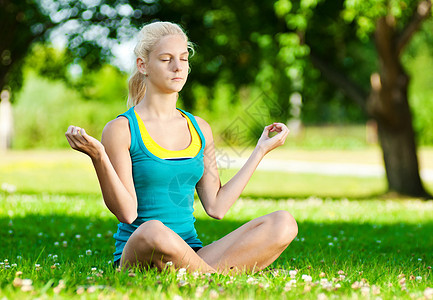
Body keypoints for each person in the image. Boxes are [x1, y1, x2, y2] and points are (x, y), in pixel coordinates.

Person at [65, 21, 298, 274]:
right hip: (142, 252)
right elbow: (127, 214)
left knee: (283, 222)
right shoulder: (122, 129)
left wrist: (259, 151)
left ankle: (201, 275)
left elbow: (216, 207)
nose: (178, 67)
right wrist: (99, 157)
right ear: (143, 65)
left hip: (192, 252)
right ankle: (215, 278)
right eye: (166, 59)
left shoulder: (200, 128)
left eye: (184, 59)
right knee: (154, 229)